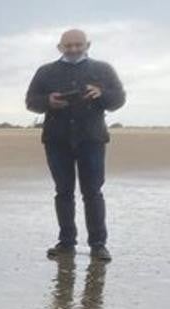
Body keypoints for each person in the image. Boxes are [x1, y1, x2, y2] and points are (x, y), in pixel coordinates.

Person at [26, 29, 125, 262]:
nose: (73, 49)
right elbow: (31, 101)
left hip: (91, 139)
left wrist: (100, 94)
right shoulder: (46, 71)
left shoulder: (103, 69)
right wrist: (48, 101)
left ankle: (98, 244)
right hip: (57, 139)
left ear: (87, 45)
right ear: (59, 47)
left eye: (77, 45)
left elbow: (118, 99)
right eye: (68, 46)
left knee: (92, 192)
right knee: (63, 192)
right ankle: (66, 242)